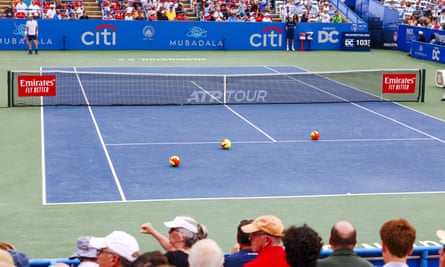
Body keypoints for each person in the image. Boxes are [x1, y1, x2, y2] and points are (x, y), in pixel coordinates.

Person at [140, 216, 208, 267]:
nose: (168, 232)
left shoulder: (173, 257)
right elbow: (172, 248)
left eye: (172, 229)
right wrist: (153, 232)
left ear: (182, 236)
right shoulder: (199, 256)